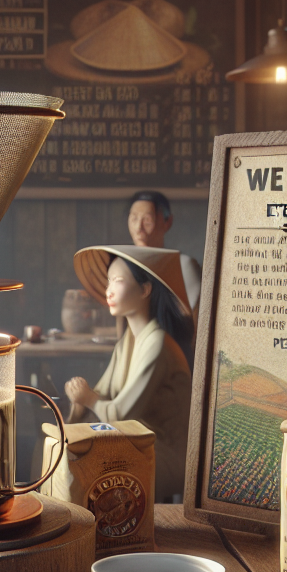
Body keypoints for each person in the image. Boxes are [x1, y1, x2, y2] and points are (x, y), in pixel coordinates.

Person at [64, 245, 195, 502]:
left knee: (85, 463)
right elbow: (102, 394)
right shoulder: (128, 341)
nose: (108, 290)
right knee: (61, 449)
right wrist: (80, 403)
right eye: (108, 281)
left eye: (118, 281)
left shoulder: (157, 342)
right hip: (135, 444)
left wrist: (87, 399)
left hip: (162, 453)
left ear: (145, 289)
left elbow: (122, 413)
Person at [127, 190, 201, 312]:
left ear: (168, 222)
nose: (138, 228)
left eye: (147, 220)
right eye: (134, 219)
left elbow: (189, 319)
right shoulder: (123, 265)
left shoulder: (182, 266)